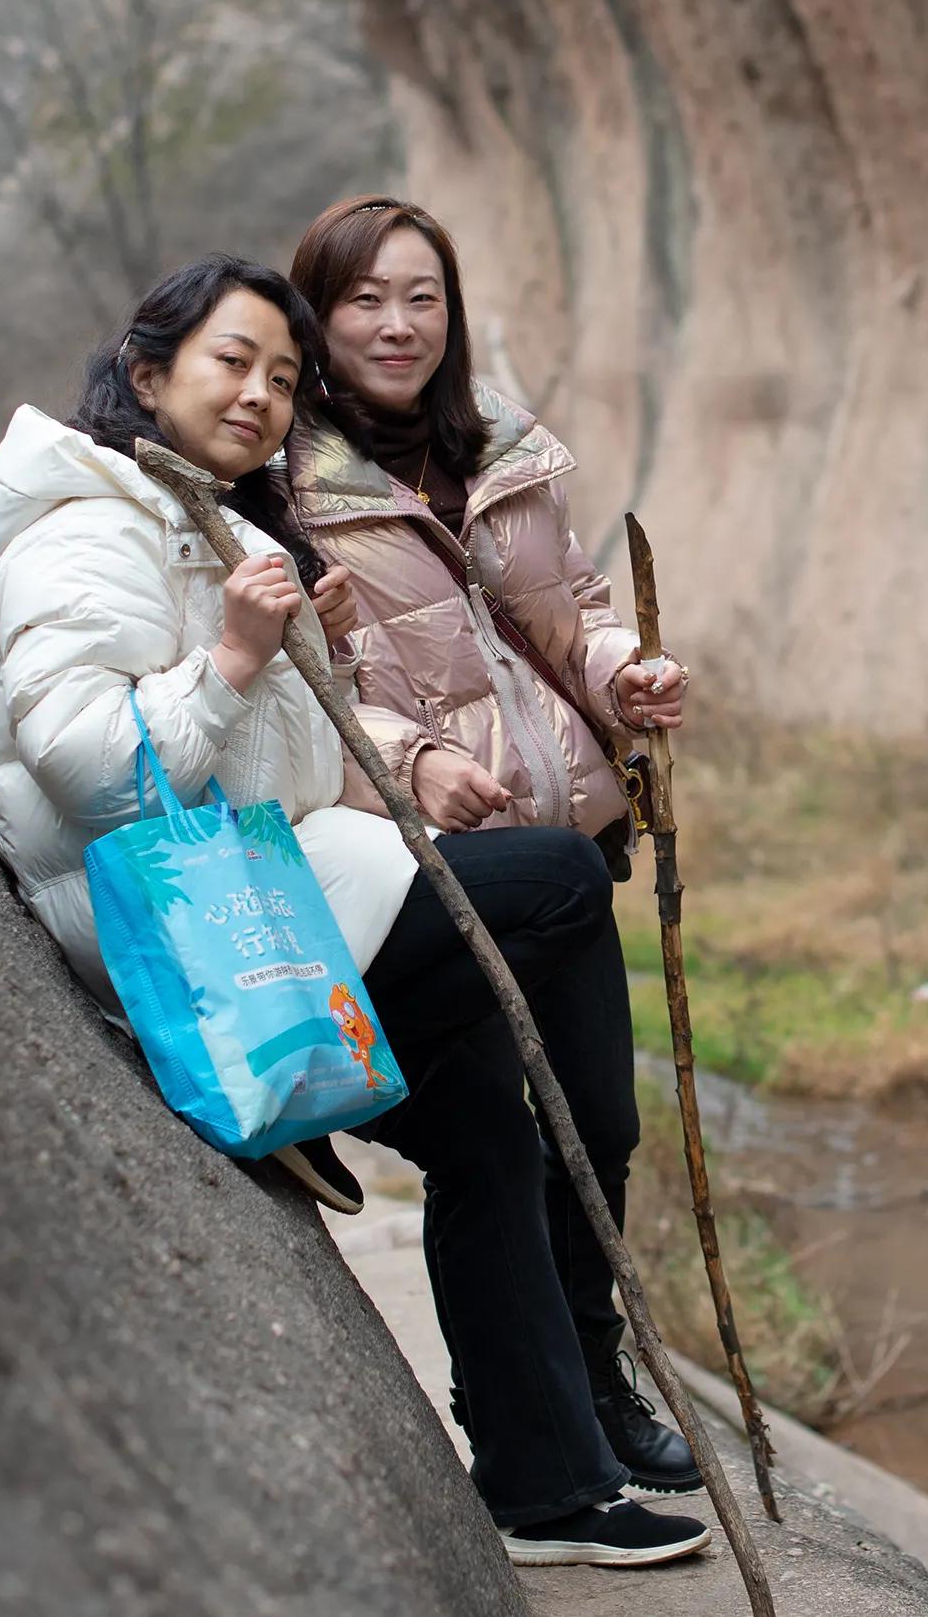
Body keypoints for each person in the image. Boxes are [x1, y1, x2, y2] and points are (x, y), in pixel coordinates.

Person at [0, 254, 708, 1568]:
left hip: (272, 885)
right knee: (555, 881)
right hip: (193, 932)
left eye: (283, 378)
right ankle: (341, 1097)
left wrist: (309, 648)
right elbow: (92, 769)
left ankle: (547, 1491)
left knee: (486, 1125)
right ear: (147, 376)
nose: (260, 395)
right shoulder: (86, 532)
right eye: (231, 362)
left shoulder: (209, 526)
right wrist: (242, 654)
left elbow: (279, 750)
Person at [282, 195, 700, 1500]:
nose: (397, 324)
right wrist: (412, 763)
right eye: (364, 300)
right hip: (424, 862)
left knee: (599, 1124)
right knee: (490, 1140)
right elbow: (300, 680)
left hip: (562, 835)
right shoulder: (284, 482)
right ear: (315, 314)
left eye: (423, 297)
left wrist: (625, 674)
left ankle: (596, 1380)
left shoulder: (502, 446)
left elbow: (574, 612)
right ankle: (521, 1410)